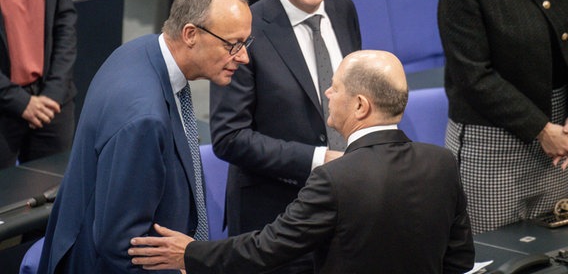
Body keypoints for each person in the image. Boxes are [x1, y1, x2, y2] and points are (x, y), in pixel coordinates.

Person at [129, 50, 475, 274]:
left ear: (360, 106)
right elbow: (459, 260)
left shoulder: (335, 180)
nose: (327, 93)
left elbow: (265, 249)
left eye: (335, 88)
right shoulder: (442, 162)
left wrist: (191, 254)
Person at [38, 0, 252, 273]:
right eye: (234, 45)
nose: (243, 57)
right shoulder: (144, 120)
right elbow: (122, 247)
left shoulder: (142, 50)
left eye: (245, 42)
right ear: (190, 34)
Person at [208, 0, 360, 272]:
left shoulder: (343, 9)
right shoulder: (245, 28)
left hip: (342, 207)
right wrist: (319, 159)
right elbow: (229, 137)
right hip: (273, 217)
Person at [438, 0, 568, 234]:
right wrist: (541, 129)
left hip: (561, 139)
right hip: (492, 144)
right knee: (497, 256)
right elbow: (472, 76)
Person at [0, 0, 77, 169]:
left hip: (52, 104)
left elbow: (65, 18)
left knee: (53, 194)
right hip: (4, 106)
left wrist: (54, 90)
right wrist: (19, 101)